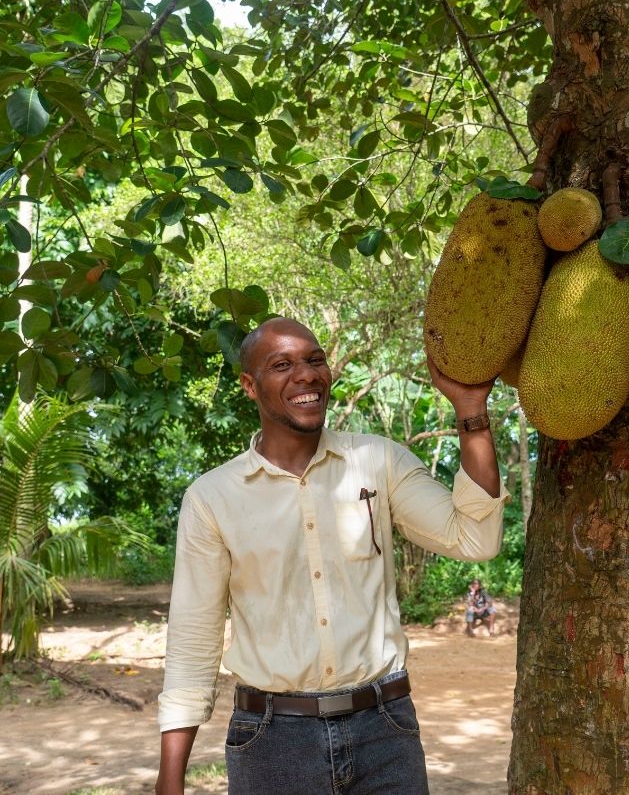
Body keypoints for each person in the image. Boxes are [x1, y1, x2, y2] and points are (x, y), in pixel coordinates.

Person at [154, 317, 507, 795]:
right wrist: (170, 777)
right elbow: (193, 642)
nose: (305, 374)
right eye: (281, 365)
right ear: (249, 386)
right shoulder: (213, 497)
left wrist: (470, 410)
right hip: (272, 742)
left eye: (314, 360)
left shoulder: (378, 462)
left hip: (385, 731)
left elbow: (474, 538)